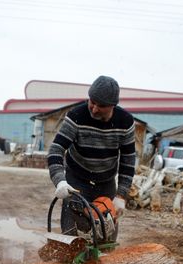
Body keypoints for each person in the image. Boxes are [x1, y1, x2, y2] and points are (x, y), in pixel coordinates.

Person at [47, 75, 136, 237]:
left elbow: (128, 161)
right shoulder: (76, 116)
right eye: (92, 102)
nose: (94, 109)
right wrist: (60, 181)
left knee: (106, 232)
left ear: (113, 106)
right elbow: (56, 150)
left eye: (101, 106)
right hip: (77, 181)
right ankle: (70, 259)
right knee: (71, 232)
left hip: (106, 182)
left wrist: (121, 195)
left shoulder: (125, 122)